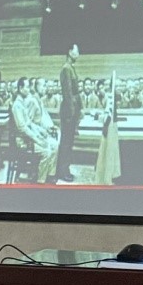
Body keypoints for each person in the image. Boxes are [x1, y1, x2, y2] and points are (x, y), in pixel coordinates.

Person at [11, 77, 58, 183]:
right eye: (27, 87)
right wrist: (37, 139)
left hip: (28, 138)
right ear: (20, 88)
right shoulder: (17, 105)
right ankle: (40, 181)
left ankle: (49, 176)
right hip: (22, 141)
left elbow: (30, 123)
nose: (29, 89)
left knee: (52, 145)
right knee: (47, 151)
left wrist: (41, 132)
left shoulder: (22, 103)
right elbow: (22, 128)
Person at [55, 44, 82, 182]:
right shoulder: (66, 69)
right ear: (70, 52)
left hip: (72, 110)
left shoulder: (71, 68)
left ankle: (65, 169)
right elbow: (68, 93)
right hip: (68, 111)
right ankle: (62, 171)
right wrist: (72, 113)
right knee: (66, 142)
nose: (78, 54)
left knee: (69, 142)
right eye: (77, 51)